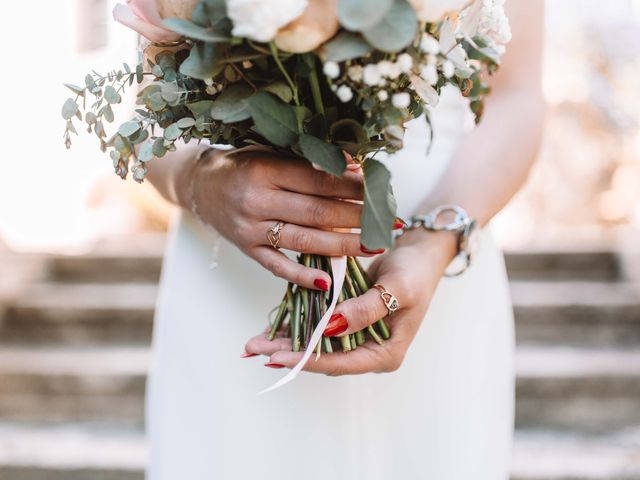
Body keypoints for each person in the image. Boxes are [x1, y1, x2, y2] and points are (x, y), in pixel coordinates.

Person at [144, 1, 545, 478]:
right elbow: (151, 91)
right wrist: (200, 182)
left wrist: (431, 242)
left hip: (432, 268)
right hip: (229, 275)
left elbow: (515, 96)